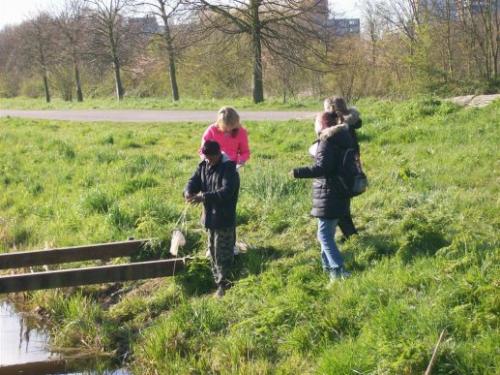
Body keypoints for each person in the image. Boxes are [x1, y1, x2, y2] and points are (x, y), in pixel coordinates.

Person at [292, 111, 353, 283]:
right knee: (325, 233)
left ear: (322, 125)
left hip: (329, 193)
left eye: (316, 122)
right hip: (339, 192)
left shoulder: (327, 142)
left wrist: (298, 172)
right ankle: (327, 269)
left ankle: (339, 270)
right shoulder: (343, 138)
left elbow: (322, 168)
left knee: (324, 236)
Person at [184, 140, 240, 298]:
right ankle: (218, 281)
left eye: (209, 157)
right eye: (205, 157)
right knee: (213, 252)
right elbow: (193, 181)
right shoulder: (203, 166)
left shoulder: (229, 169)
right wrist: (188, 191)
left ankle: (224, 285)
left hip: (224, 218)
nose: (207, 160)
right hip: (209, 218)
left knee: (223, 252)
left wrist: (203, 197)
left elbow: (226, 192)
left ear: (218, 154)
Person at [200, 106, 250, 255]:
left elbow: (245, 152)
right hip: (212, 173)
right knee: (210, 209)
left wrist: (240, 162)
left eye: (231, 127)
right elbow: (202, 151)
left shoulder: (241, 132)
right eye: (225, 127)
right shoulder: (211, 131)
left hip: (230, 174)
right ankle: (211, 246)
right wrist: (208, 162)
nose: (228, 130)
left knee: (229, 210)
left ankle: (231, 244)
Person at [317, 96, 362, 239]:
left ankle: (348, 234)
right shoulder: (350, 120)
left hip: (335, 164)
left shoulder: (327, 118)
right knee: (344, 196)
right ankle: (350, 234)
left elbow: (326, 135)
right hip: (351, 162)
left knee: (336, 198)